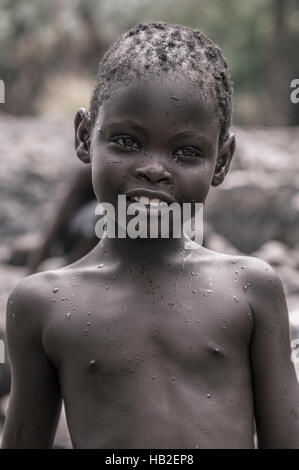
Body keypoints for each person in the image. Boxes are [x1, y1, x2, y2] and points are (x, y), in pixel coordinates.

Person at [2, 22, 299, 449]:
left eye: (186, 152)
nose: (155, 168)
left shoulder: (252, 289)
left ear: (222, 161)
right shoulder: (41, 305)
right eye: (126, 141)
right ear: (85, 137)